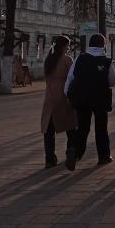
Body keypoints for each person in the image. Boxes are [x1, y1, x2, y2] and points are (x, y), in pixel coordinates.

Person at [64, 33, 115, 169]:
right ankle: (104, 156)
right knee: (101, 127)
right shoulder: (106, 61)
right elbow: (112, 81)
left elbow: (70, 78)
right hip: (100, 99)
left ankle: (75, 151)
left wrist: (67, 95)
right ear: (103, 45)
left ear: (90, 44)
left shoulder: (80, 59)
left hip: (81, 98)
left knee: (83, 127)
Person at [40, 36, 76, 168]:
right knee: (71, 127)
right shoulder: (67, 60)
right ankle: (71, 151)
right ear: (63, 46)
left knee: (49, 130)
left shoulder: (49, 60)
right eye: (68, 45)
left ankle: (49, 159)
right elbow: (73, 78)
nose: (69, 48)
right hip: (63, 96)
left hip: (49, 97)